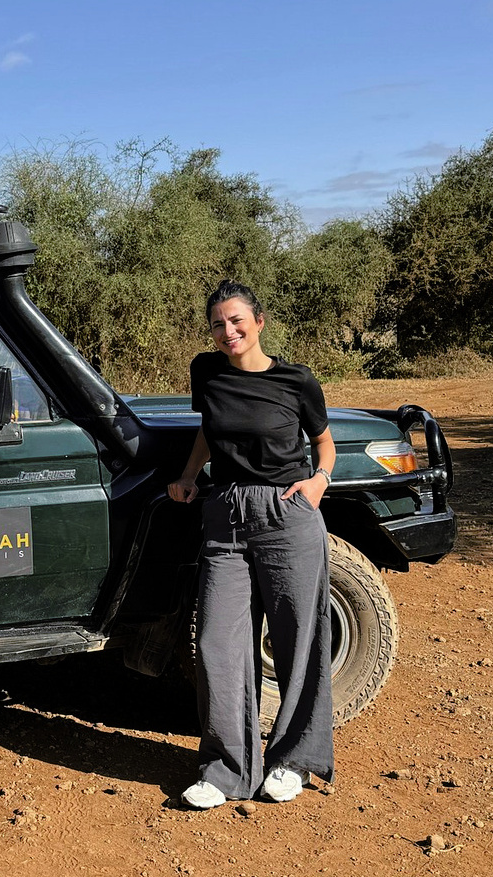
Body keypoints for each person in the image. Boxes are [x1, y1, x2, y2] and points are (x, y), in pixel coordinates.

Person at [167, 279, 336, 810]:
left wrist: (319, 482)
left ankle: (293, 762)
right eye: (218, 323)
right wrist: (191, 474)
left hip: (286, 513)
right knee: (217, 642)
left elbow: (323, 441)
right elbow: (207, 430)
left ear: (259, 322)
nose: (228, 331)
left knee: (298, 640)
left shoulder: (296, 380)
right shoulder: (207, 371)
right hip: (225, 516)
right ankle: (226, 770)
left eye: (237, 320)